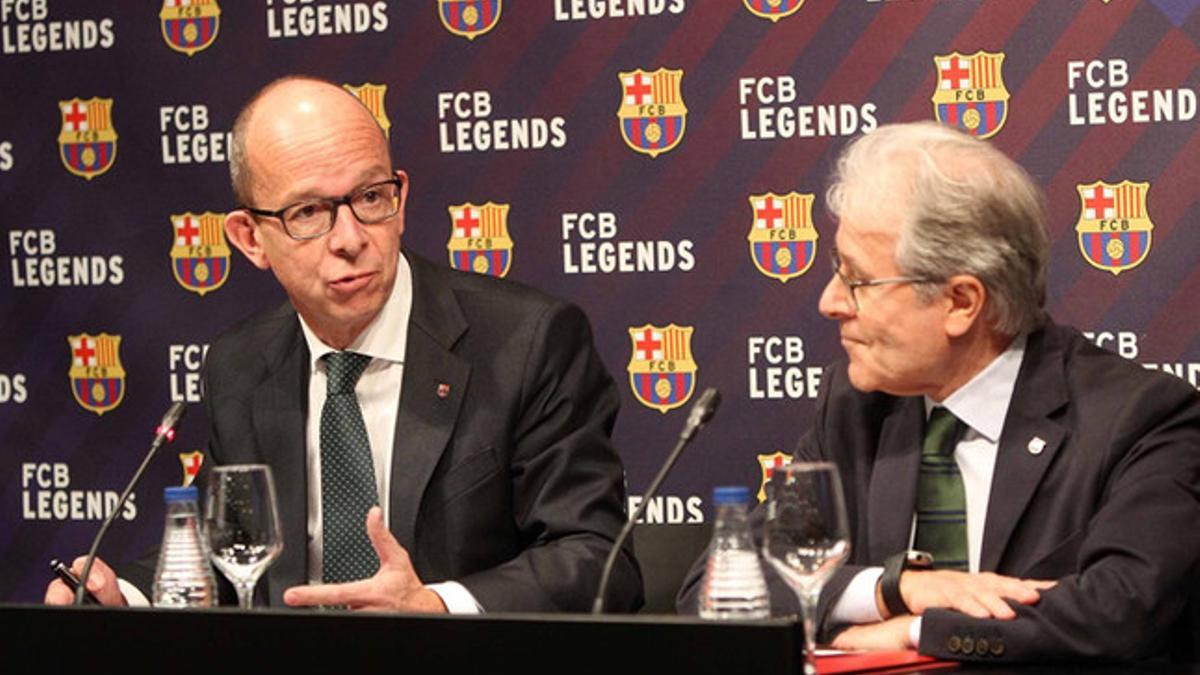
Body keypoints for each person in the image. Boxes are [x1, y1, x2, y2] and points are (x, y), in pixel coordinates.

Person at [46, 75, 643, 613]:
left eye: (370, 198)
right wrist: (121, 594)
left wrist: (435, 607)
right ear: (251, 237)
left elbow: (596, 559)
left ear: (401, 198)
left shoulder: (526, 341)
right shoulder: (241, 364)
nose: (351, 238)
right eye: (309, 212)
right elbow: (230, 559)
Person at [678, 121, 1200, 661]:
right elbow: (720, 591)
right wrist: (891, 590)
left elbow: (1119, 609)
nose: (831, 302)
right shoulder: (856, 408)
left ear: (960, 302)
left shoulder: (1140, 419)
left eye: (857, 280)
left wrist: (917, 632)